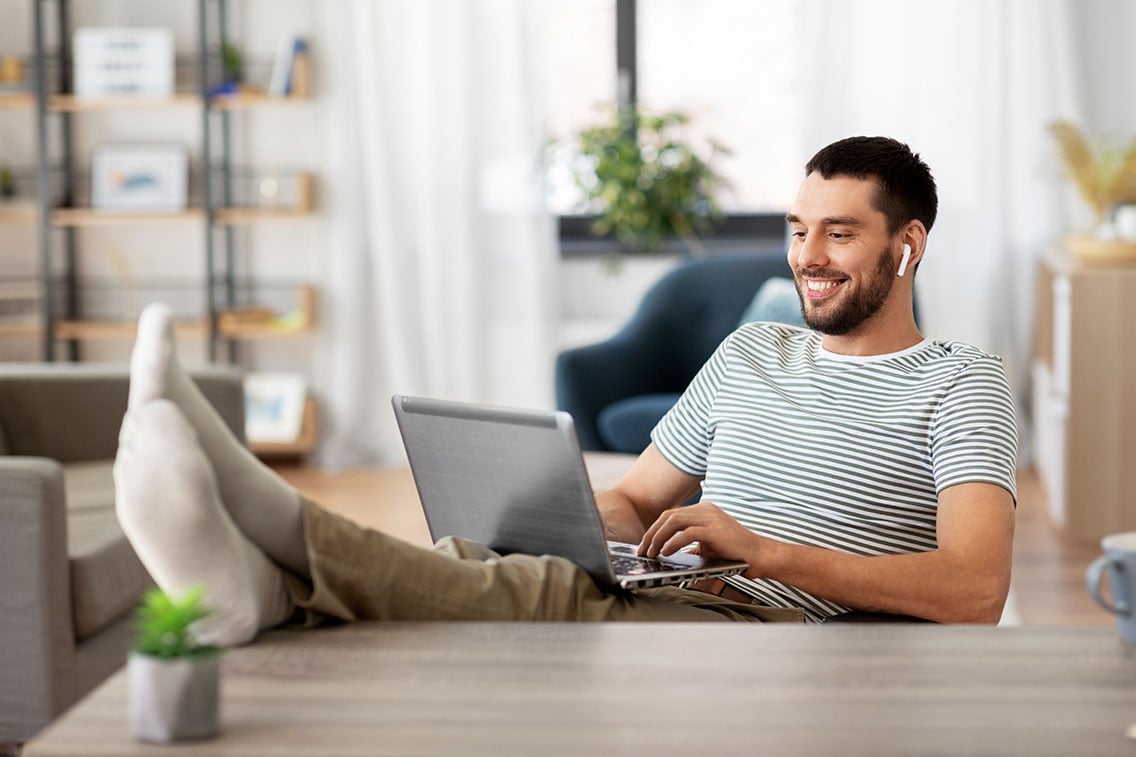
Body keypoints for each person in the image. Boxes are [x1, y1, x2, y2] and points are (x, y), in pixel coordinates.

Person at [114, 136, 1017, 645]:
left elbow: (976, 588)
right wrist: (552, 509)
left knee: (533, 594)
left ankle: (255, 538)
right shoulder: (751, 350)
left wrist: (766, 552)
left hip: (765, 617)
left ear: (908, 245)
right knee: (488, 559)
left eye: (840, 234)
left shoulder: (961, 383)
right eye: (797, 229)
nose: (807, 257)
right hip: (680, 589)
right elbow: (635, 497)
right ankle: (255, 584)